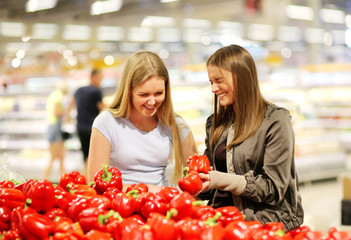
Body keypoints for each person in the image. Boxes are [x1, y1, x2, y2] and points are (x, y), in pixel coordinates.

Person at [196, 44, 304, 231]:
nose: (213, 88)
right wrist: (200, 183)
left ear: (241, 77)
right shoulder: (215, 123)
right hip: (220, 220)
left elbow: (273, 188)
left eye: (219, 80)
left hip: (263, 224)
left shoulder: (275, 121)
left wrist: (221, 180)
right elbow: (212, 180)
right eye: (210, 82)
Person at [87, 50, 197, 192]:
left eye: (159, 93)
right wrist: (148, 190)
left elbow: (197, 171)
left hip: (162, 205)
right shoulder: (106, 123)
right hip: (120, 204)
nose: (152, 101)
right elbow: (95, 182)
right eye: (144, 94)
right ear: (129, 91)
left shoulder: (174, 124)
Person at [67, 69, 105, 173]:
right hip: (92, 128)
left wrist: (67, 118)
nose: (101, 80)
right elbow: (102, 107)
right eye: (100, 78)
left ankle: (85, 177)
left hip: (80, 127)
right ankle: (89, 180)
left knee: (85, 156)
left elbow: (70, 105)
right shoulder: (96, 91)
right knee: (92, 156)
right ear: (94, 77)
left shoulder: (79, 90)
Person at [44, 80, 69, 180]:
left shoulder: (53, 95)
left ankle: (64, 179)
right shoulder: (58, 96)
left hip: (54, 128)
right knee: (54, 156)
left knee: (61, 156)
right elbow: (56, 112)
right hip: (55, 128)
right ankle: (44, 179)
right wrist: (64, 112)